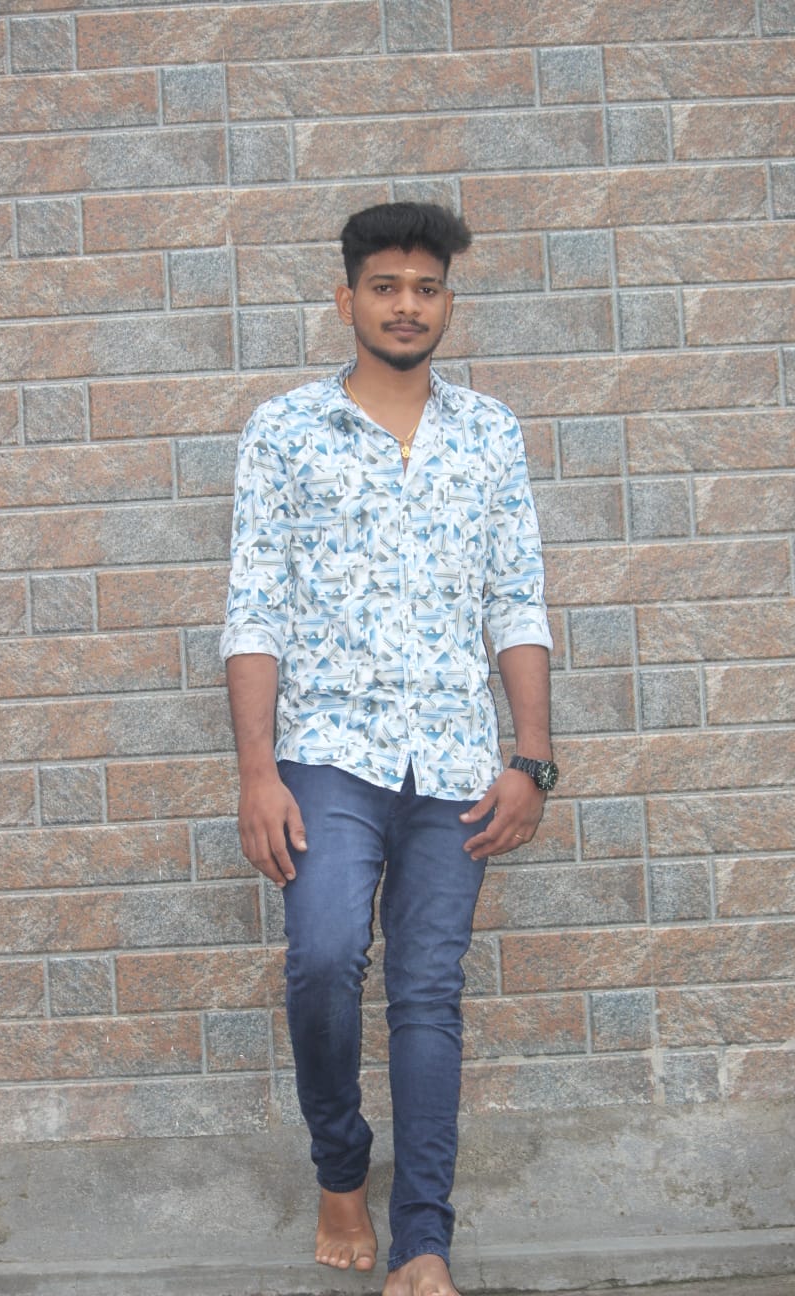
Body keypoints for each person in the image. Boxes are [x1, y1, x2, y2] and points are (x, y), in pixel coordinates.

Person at [220, 202, 557, 1296]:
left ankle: (422, 1242)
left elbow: (516, 599)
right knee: (324, 956)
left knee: (425, 991)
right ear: (347, 299)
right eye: (386, 286)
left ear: (447, 302)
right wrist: (258, 774)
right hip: (328, 748)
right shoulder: (284, 430)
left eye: (426, 287)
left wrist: (532, 759)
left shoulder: (490, 432)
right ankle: (339, 1167)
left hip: (455, 757)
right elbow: (255, 609)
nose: (407, 305)